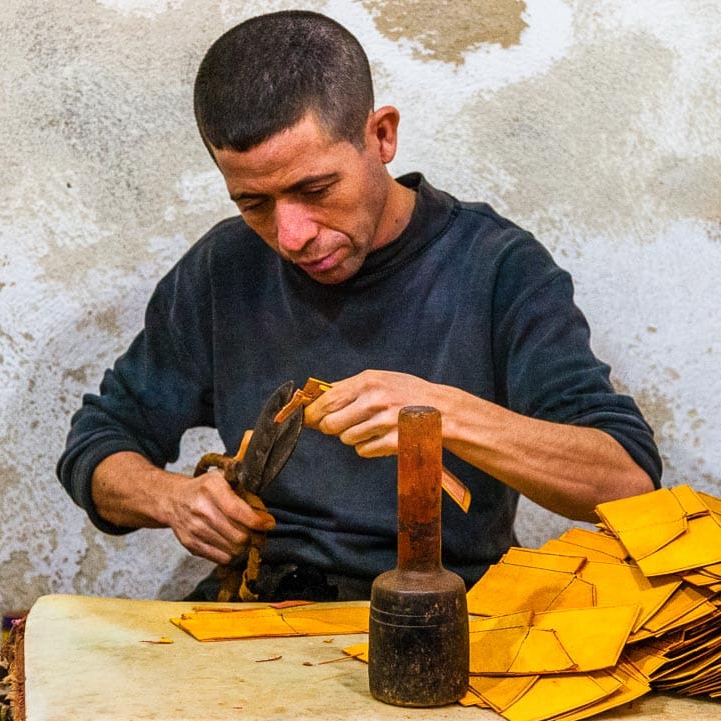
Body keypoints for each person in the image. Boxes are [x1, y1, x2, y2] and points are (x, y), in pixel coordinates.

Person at [57, 10, 661, 601]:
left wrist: (439, 416)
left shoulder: (498, 268)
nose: (291, 235)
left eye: (315, 190)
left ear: (381, 135)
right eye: (253, 202)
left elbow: (626, 480)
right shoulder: (225, 268)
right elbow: (99, 443)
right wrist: (172, 500)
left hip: (444, 617)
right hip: (258, 610)